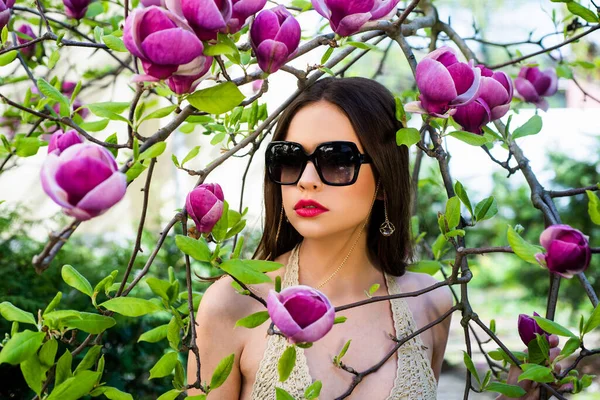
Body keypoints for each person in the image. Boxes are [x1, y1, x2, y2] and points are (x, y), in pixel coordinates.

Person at [186, 77, 557, 399]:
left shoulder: (431, 304)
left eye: (337, 160)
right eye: (290, 158)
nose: (306, 180)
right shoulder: (234, 304)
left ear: (383, 179)